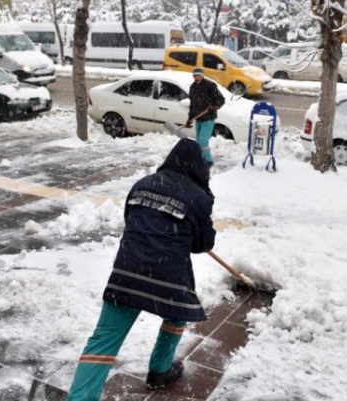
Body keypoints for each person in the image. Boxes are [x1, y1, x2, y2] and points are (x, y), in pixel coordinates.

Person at [67, 138, 216, 400]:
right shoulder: (198, 197)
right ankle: (159, 370)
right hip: (169, 277)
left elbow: (131, 221)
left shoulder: (142, 184)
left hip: (127, 272)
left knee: (103, 341)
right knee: (176, 314)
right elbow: (202, 244)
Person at [185, 67, 225, 167]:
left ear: (202, 75)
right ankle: (200, 158)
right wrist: (190, 118)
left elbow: (221, 99)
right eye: (194, 75)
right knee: (199, 140)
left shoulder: (210, 85)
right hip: (198, 118)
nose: (196, 77)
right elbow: (193, 104)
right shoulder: (193, 87)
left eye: (198, 75)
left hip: (209, 117)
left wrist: (215, 107)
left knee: (203, 140)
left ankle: (208, 161)